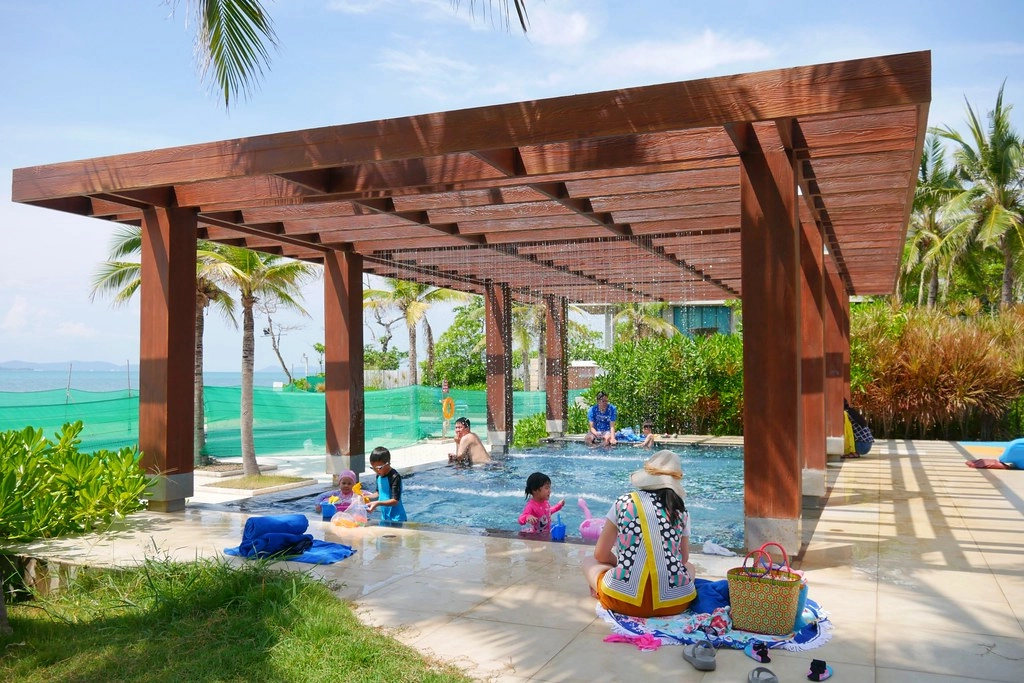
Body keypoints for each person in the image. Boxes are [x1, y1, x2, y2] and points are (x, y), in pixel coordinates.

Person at [582, 449, 696, 617]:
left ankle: (601, 589)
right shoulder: (680, 510)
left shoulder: (624, 502)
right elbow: (683, 558)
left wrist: (618, 563)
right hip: (675, 603)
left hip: (624, 600)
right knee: (690, 567)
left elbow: (600, 554)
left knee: (589, 561)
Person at [365, 446, 407, 523]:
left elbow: (395, 501)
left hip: (397, 519)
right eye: (373, 468)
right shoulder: (379, 475)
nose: (376, 471)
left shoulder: (394, 477)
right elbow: (378, 493)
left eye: (378, 468)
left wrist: (377, 503)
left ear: (387, 464)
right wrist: (365, 497)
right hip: (384, 517)